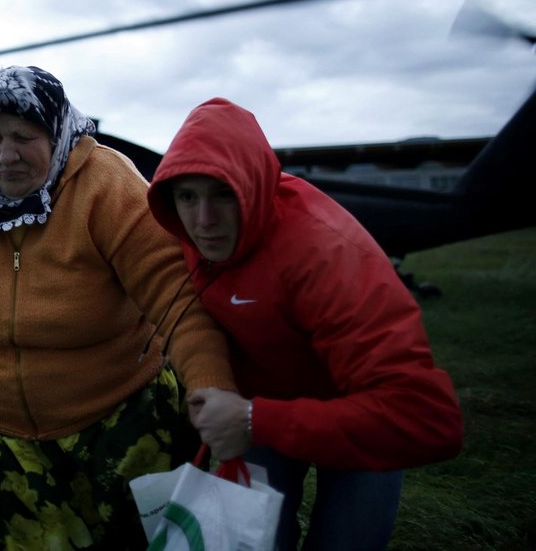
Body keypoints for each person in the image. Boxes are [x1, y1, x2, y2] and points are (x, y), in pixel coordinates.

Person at [0, 65, 239, 549]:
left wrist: (214, 387)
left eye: (24, 137)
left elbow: (177, 302)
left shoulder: (107, 186)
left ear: (57, 130)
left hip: (114, 424)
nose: (5, 156)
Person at [146, 97, 465, 551]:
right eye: (187, 196)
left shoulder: (327, 255)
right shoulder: (184, 236)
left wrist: (256, 420)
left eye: (222, 194)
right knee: (254, 543)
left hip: (356, 414)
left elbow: (429, 420)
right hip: (264, 411)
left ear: (254, 188)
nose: (204, 221)